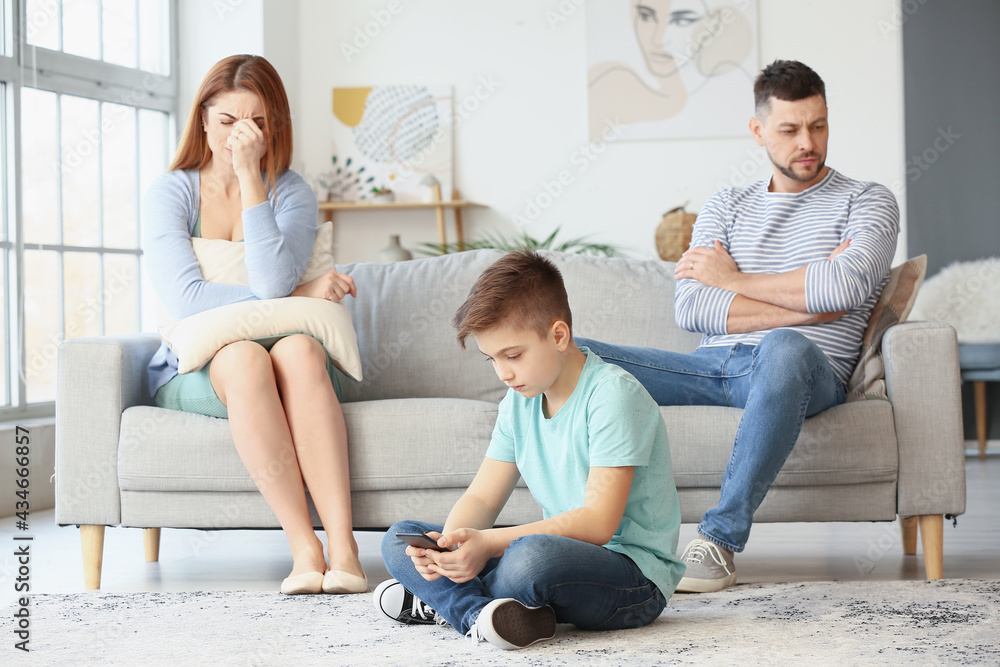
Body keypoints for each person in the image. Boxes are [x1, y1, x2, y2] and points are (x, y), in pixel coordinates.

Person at [578, 59, 900, 593]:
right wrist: (809, 305)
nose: (808, 142)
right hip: (716, 366)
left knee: (784, 346)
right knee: (577, 356)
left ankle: (719, 541)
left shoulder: (868, 201)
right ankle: (579, 535)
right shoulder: (726, 205)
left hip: (802, 369)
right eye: (790, 129)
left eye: (818, 126)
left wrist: (734, 278)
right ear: (758, 131)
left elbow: (842, 290)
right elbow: (692, 308)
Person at [372, 252, 684, 650]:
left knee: (530, 560)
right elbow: (483, 496)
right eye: (492, 359)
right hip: (561, 565)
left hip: (631, 579)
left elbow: (597, 524)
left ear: (558, 336)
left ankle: (448, 603)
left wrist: (485, 547)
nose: (503, 373)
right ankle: (481, 614)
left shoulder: (613, 396)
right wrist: (451, 549)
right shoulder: (518, 401)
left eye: (513, 355)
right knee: (403, 538)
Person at [142, 54, 366, 595]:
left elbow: (267, 284)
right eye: (227, 122)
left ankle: (346, 550)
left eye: (257, 124)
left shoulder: (290, 191)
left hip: (291, 359)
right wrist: (301, 293)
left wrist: (250, 177)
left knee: (299, 351)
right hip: (202, 367)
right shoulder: (171, 193)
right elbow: (190, 299)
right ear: (201, 119)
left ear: (274, 128)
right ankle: (304, 549)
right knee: (245, 357)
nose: (240, 135)